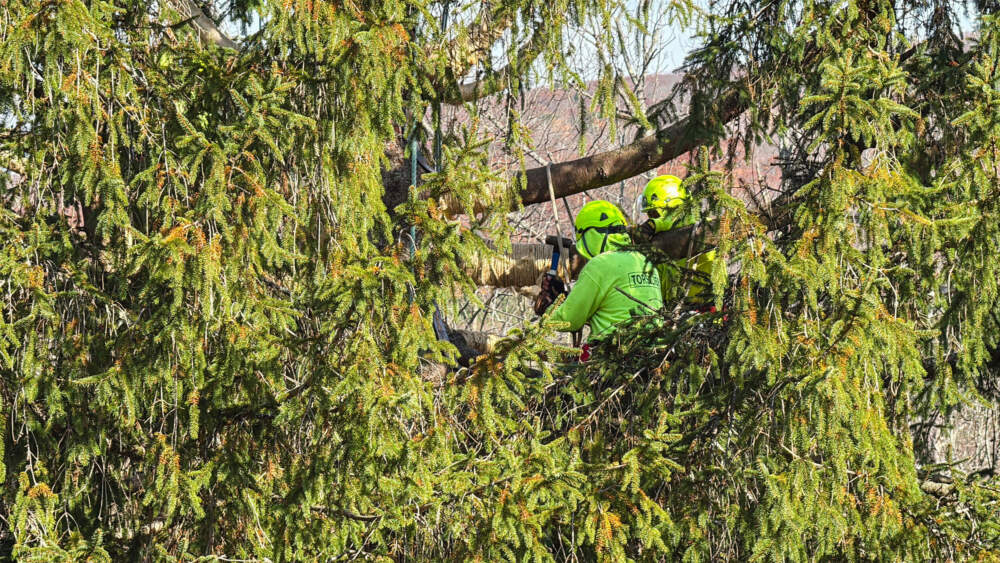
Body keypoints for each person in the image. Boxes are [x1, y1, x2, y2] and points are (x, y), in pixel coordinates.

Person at [534, 200, 663, 346]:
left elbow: (569, 320)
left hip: (614, 352)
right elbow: (613, 307)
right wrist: (564, 298)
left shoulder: (600, 265)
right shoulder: (643, 260)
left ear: (591, 236)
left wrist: (548, 309)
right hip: (651, 351)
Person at [638, 175, 716, 305]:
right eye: (649, 215)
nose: (650, 219)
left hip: (704, 313)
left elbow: (685, 225)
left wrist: (658, 224)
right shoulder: (658, 243)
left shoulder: (706, 229)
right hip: (671, 313)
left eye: (655, 214)